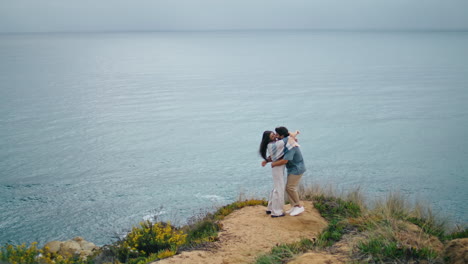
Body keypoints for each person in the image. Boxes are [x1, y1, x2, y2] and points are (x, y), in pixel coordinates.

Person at [259, 130, 300, 218]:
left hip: (277, 169)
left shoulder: (273, 144)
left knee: (276, 188)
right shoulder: (275, 145)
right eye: (272, 135)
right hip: (277, 169)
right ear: (268, 138)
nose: (275, 136)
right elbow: (286, 140)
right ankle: (276, 212)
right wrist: (293, 134)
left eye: (274, 134)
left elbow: (281, 150)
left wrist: (266, 161)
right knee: (279, 189)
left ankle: (270, 208)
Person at [269, 126, 306, 216]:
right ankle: (294, 206)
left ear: (282, 135)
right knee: (288, 187)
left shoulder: (291, 145)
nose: (276, 135)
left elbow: (285, 160)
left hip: (297, 168)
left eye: (277, 134)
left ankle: (299, 206)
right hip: (292, 168)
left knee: (290, 187)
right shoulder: (286, 141)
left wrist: (274, 164)